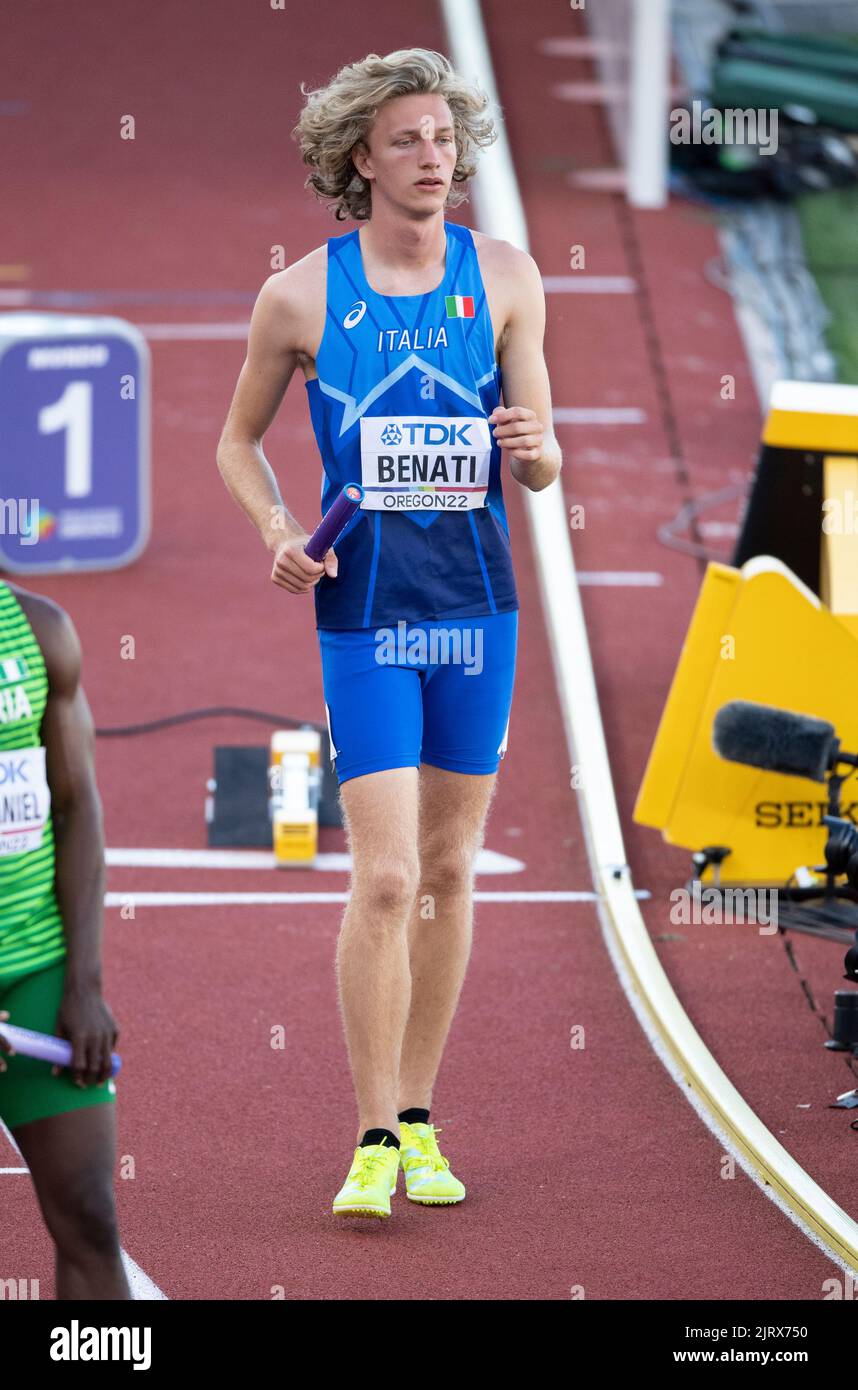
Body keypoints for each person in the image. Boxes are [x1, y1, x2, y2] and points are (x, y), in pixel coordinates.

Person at [217, 47, 561, 1218]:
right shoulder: (302, 295)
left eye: (446, 139)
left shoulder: (507, 277)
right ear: (358, 156)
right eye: (409, 139)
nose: (435, 158)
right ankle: (368, 1138)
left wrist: (533, 449)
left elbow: (549, 459)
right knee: (386, 876)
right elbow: (235, 441)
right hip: (363, 615)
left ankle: (420, 1119)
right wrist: (276, 526)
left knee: (453, 870)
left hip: (478, 611)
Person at [0, 580, 129, 1296]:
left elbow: (77, 807)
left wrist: (83, 985)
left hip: (36, 969)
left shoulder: (39, 630)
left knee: (88, 1216)